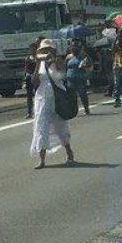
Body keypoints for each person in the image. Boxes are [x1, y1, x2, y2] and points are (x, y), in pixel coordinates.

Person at [30, 39, 75, 169]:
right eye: (44, 50)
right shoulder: (40, 65)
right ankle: (42, 160)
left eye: (49, 50)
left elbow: (62, 76)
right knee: (41, 128)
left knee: (61, 127)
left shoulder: (58, 62)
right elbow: (35, 82)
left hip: (57, 99)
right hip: (42, 100)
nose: (46, 53)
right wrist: (38, 64)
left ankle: (69, 152)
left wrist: (53, 62)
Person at [66, 43, 92, 115]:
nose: (74, 49)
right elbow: (65, 66)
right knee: (72, 95)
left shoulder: (83, 56)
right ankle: (73, 110)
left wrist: (85, 65)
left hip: (80, 78)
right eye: (72, 48)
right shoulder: (68, 57)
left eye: (75, 48)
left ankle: (86, 109)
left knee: (82, 94)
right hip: (70, 79)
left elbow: (89, 64)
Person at [23, 37, 44, 118]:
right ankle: (29, 112)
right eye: (31, 49)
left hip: (36, 77)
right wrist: (24, 80)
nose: (32, 50)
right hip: (29, 77)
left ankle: (38, 110)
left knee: (38, 94)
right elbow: (25, 69)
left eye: (34, 49)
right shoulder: (28, 58)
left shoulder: (39, 57)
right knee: (29, 96)